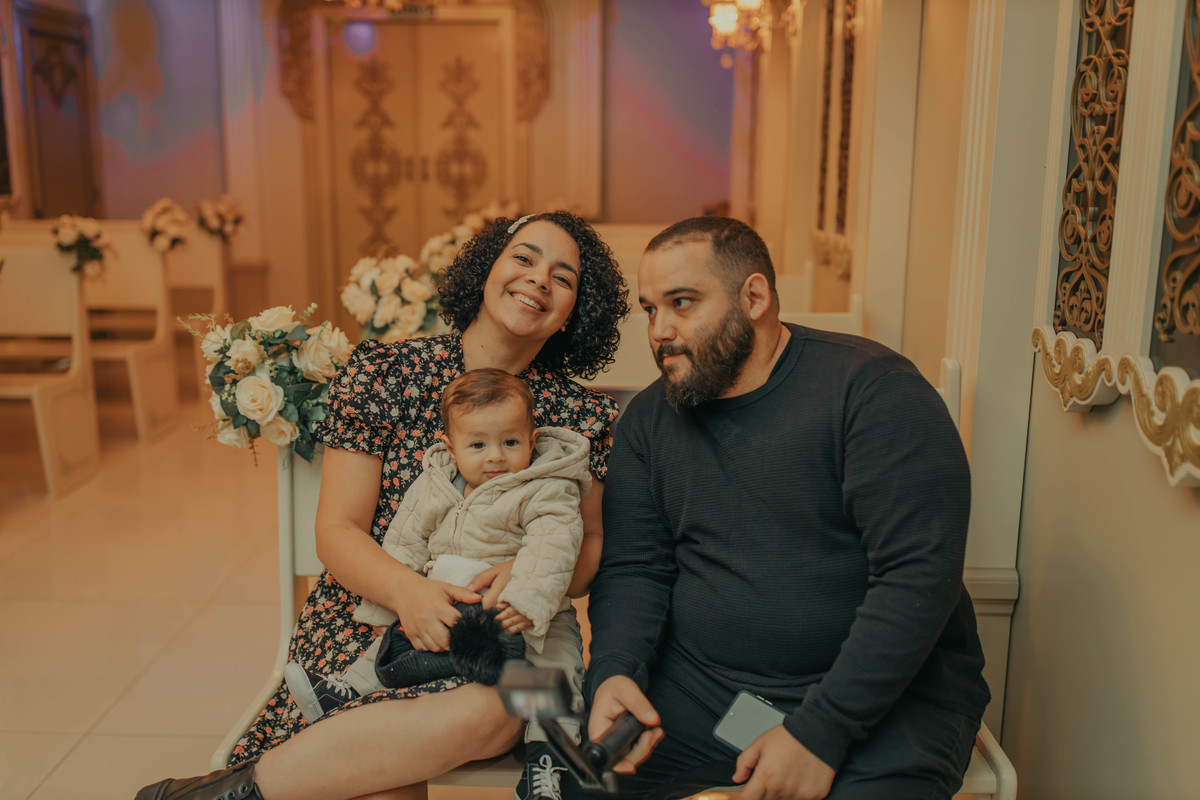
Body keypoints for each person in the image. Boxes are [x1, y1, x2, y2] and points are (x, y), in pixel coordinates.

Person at [135, 211, 628, 800]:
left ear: (576, 310)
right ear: (487, 268)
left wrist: (525, 575)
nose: (539, 279)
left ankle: (215, 793)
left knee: (503, 708)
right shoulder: (386, 371)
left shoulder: (582, 415)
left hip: (498, 636)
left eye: (563, 277)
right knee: (382, 784)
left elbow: (590, 544)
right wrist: (409, 594)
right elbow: (337, 529)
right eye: (524, 258)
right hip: (366, 619)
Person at [574, 217, 990, 800]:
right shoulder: (648, 420)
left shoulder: (875, 392)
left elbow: (916, 577)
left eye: (682, 303)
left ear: (754, 297)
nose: (660, 330)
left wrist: (821, 733)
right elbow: (635, 568)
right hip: (708, 692)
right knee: (577, 786)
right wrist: (614, 671)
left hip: (884, 699)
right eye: (650, 309)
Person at [283, 367, 592, 746]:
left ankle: (550, 748)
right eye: (477, 446)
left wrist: (527, 597)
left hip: (517, 608)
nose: (496, 457)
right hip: (446, 603)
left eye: (510, 442)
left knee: (552, 664)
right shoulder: (436, 484)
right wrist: (387, 609)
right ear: (450, 448)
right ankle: (345, 693)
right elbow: (405, 544)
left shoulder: (546, 487)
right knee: (395, 644)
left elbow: (554, 544)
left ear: (532, 440)